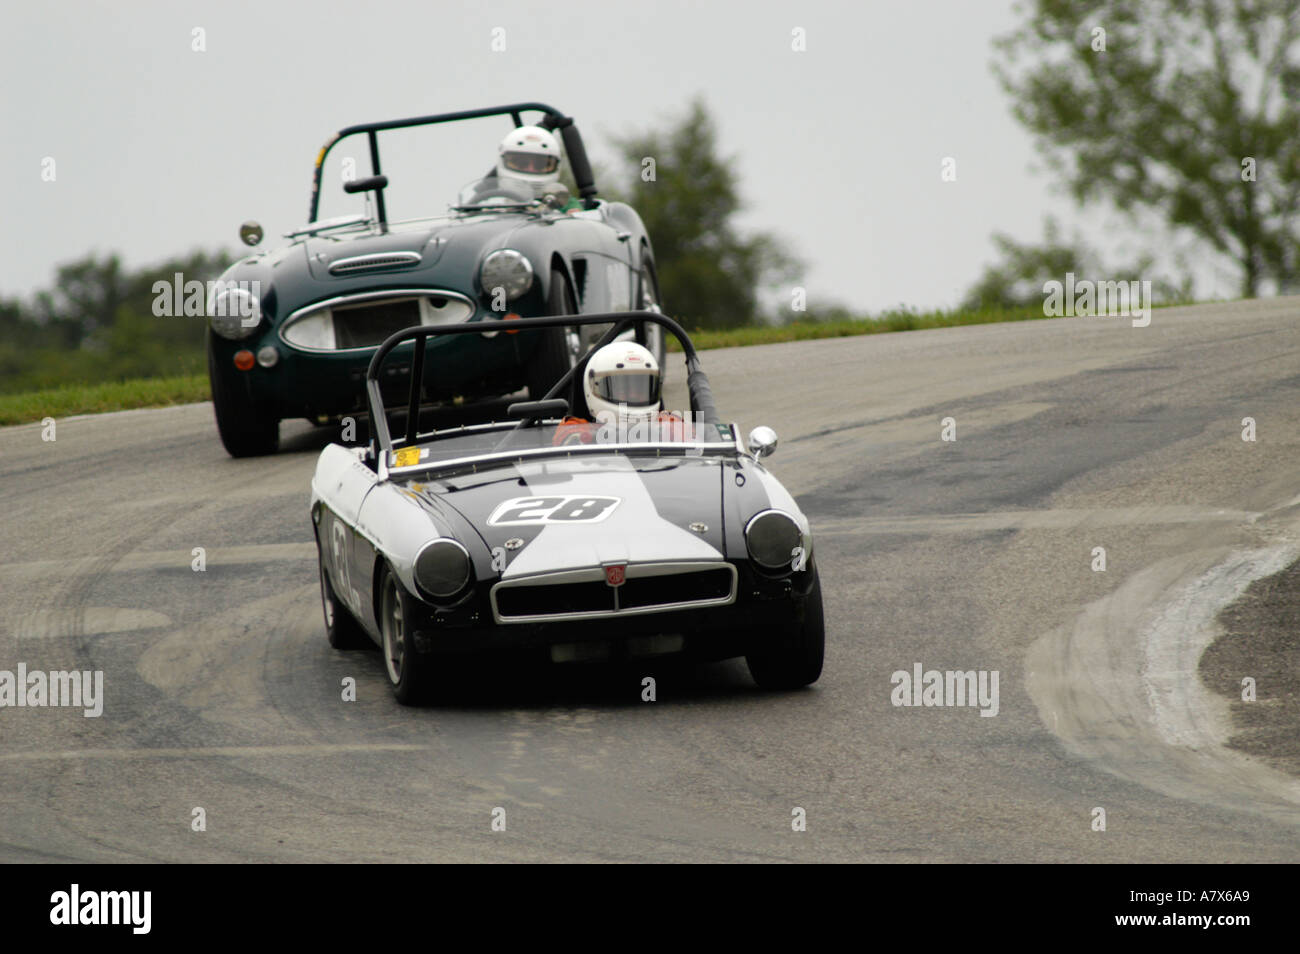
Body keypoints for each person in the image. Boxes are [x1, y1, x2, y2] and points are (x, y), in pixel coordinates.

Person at [553, 341, 688, 445]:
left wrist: (668, 432)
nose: (634, 395)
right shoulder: (573, 429)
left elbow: (694, 447)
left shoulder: (666, 422)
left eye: (640, 388)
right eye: (624, 389)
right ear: (594, 387)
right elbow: (569, 442)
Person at [488, 125, 583, 212]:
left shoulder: (562, 202)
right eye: (521, 163)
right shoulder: (489, 203)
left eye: (540, 164)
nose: (530, 169)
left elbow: (576, 215)